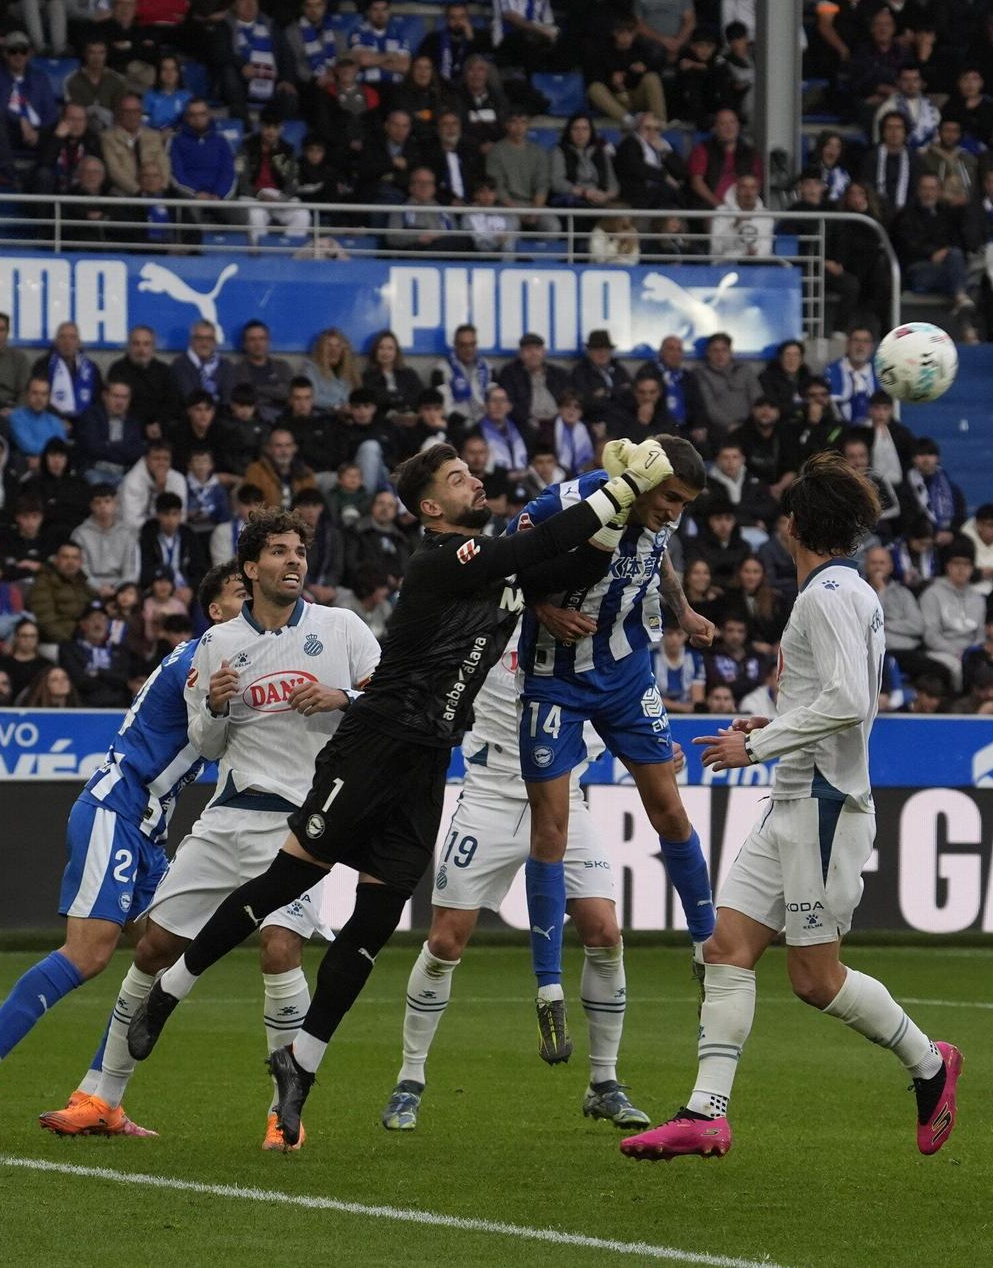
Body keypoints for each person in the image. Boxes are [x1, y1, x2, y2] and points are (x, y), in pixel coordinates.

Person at [126, 438, 678, 1148]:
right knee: (286, 879)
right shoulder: (441, 558)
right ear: (430, 508)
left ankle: (301, 1066)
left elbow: (579, 561)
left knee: (375, 921)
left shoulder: (499, 569)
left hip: (427, 762)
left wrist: (621, 512)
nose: (474, 482)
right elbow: (539, 544)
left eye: (471, 473)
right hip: (375, 741)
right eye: (458, 477)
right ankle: (169, 991)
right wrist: (621, 486)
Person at [621, 453, 961, 1162]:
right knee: (725, 947)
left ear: (794, 526)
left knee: (815, 979)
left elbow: (849, 701)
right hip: (794, 799)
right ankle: (705, 1112)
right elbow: (831, 698)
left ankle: (931, 1062)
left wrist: (760, 742)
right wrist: (772, 727)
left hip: (825, 807)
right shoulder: (845, 589)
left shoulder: (828, 595)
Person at [0, 562, 235, 1137]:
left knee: (160, 950)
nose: (254, 603)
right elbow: (220, 728)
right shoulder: (202, 658)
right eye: (240, 594)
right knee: (89, 952)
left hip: (149, 827)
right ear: (216, 610)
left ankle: (100, 1097)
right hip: (116, 810)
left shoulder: (216, 659)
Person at [380, 649, 645, 1133]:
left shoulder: (593, 637)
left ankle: (604, 1083)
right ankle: (409, 1080)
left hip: (565, 801)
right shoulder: (491, 624)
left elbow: (615, 706)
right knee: (445, 941)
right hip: (490, 798)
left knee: (605, 932)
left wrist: (650, 749)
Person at [517, 436, 719, 1057]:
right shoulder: (569, 502)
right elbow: (505, 562)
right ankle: (548, 989)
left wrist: (683, 611)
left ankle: (709, 950)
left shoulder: (661, 519)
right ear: (643, 477)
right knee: (551, 828)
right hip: (555, 677)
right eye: (670, 498)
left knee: (670, 810)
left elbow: (660, 561)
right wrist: (543, 608)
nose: (674, 512)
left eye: (684, 504)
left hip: (627, 673)